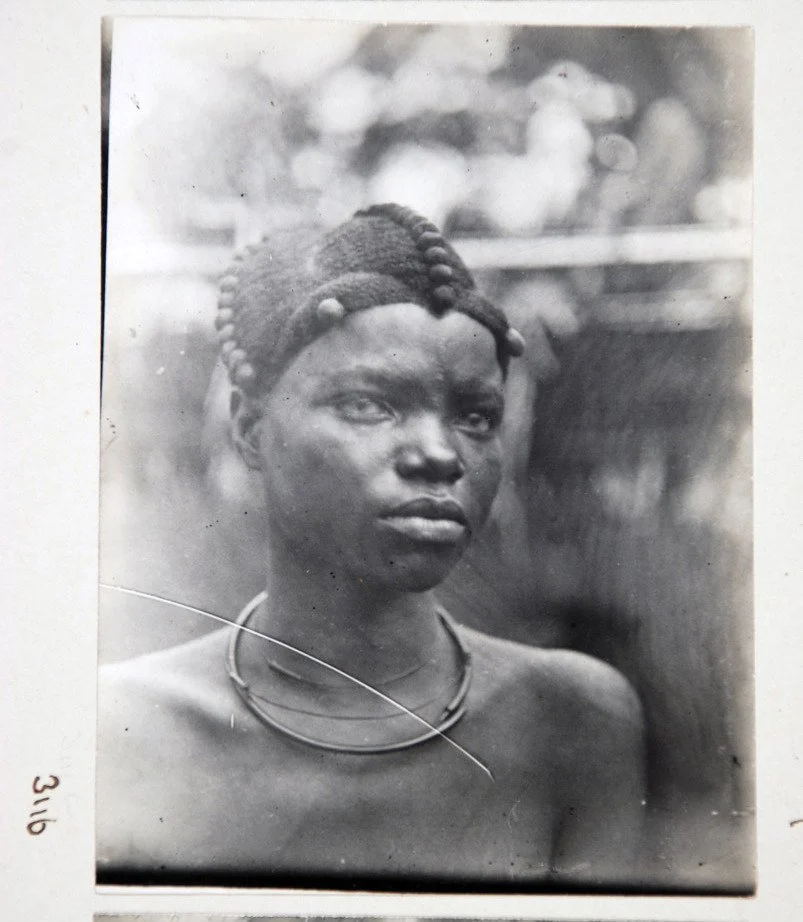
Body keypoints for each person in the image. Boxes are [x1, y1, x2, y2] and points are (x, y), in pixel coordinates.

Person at [97, 203, 646, 889]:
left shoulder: (573, 721)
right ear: (250, 427)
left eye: (476, 416)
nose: (439, 454)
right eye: (367, 404)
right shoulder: (119, 728)